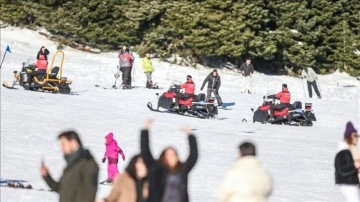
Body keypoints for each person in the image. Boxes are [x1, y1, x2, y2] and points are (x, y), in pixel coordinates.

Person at [140, 119, 198, 202]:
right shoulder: (156, 168)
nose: (171, 157)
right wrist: (145, 130)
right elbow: (145, 151)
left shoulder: (182, 169)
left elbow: (193, 156)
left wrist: (190, 136)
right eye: (167, 155)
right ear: (163, 158)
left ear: (177, 157)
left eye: (173, 154)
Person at [39, 131, 99, 202]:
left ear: (73, 143)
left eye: (63, 144)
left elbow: (90, 195)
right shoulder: (71, 165)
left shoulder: (88, 164)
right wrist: (47, 176)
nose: (61, 148)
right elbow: (60, 188)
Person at [335, 122, 360, 202]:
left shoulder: (352, 150)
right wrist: (355, 165)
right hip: (348, 184)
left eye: (357, 136)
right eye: (355, 135)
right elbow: (341, 170)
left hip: (352, 183)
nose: (357, 138)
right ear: (348, 137)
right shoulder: (343, 151)